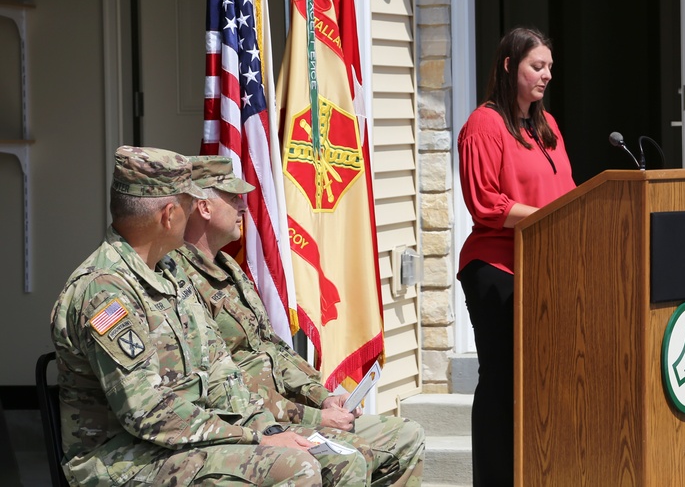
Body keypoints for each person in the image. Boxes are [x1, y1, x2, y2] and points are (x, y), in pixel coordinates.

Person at [50, 146, 368, 487]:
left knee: (340, 458)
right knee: (296, 468)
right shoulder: (105, 293)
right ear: (169, 215)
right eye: (190, 205)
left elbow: (220, 372)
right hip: (126, 461)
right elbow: (147, 413)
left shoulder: (170, 271)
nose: (192, 216)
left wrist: (267, 427)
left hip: (189, 441)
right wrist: (253, 439)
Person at [167, 155, 425, 486]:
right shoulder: (177, 282)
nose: (243, 208)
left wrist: (323, 395)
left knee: (407, 435)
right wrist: (316, 416)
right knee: (349, 457)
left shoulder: (228, 267)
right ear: (204, 207)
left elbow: (273, 349)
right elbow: (225, 381)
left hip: (290, 408)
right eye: (233, 198)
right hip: (253, 420)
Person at [457, 27, 576, 486]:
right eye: (536, 66)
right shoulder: (485, 123)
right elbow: (486, 202)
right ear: (510, 66)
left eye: (549, 67)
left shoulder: (546, 127)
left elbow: (567, 194)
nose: (546, 75)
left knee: (541, 383)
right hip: (497, 269)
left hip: (544, 269)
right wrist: (550, 215)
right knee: (503, 383)